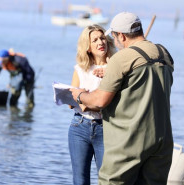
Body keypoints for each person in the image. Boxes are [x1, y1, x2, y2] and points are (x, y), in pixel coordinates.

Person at [70, 12, 174, 185]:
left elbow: (99, 100)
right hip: (162, 142)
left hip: (130, 142)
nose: (113, 42)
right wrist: (112, 72)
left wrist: (79, 95)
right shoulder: (164, 53)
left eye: (113, 37)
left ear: (122, 36)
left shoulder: (121, 58)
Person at [68, 24, 116, 185]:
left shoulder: (116, 69)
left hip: (106, 128)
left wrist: (84, 100)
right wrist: (83, 99)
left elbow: (106, 103)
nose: (100, 42)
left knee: (107, 179)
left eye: (102, 38)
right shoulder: (80, 69)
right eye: (94, 40)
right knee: (80, 180)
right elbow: (71, 100)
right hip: (79, 126)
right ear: (88, 47)